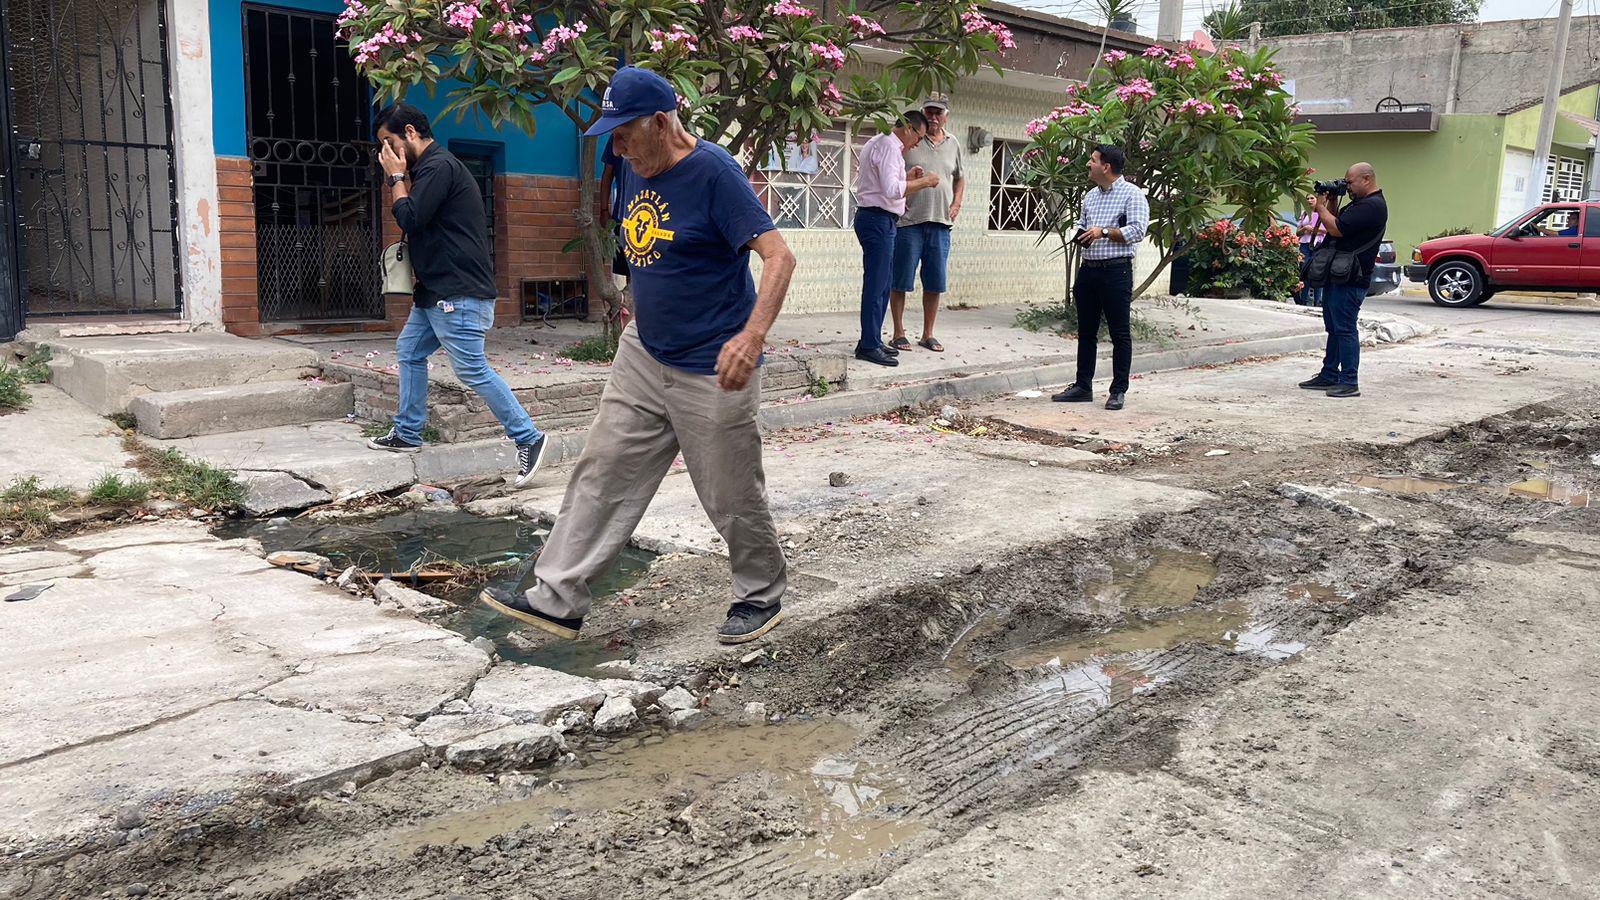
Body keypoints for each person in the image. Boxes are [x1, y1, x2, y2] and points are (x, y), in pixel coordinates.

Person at [479, 67, 799, 645]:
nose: (616, 146)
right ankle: (557, 598)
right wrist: (631, 304)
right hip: (643, 353)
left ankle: (760, 594)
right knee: (603, 471)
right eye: (610, 135)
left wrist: (751, 337)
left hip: (712, 367)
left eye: (624, 133)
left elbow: (779, 258)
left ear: (661, 121)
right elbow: (643, 251)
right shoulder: (631, 166)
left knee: (731, 496)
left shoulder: (714, 174)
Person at [370, 103, 547, 487]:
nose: (386, 153)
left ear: (411, 133)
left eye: (390, 142)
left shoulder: (439, 167)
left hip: (458, 292)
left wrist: (396, 177)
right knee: (410, 350)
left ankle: (529, 438)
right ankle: (407, 432)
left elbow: (410, 217)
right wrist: (401, 174)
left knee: (471, 369)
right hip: (435, 291)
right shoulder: (429, 168)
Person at [1051, 144, 1149, 411]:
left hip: (1116, 271)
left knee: (1119, 333)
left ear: (1106, 166)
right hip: (1089, 269)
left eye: (1092, 160)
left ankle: (1118, 390)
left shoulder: (1133, 195)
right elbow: (1085, 225)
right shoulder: (1090, 197)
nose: (1088, 164)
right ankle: (1083, 386)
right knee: (1086, 331)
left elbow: (1138, 231)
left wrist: (1103, 232)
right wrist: (1081, 233)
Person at [853, 111, 939, 367]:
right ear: (909, 128)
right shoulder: (890, 146)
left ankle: (872, 339)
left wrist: (908, 178)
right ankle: (868, 345)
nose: (917, 144)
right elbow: (891, 191)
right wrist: (924, 182)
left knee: (881, 283)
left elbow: (886, 184)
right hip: (878, 220)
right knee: (877, 284)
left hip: (876, 219)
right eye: (919, 137)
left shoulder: (877, 141)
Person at [1298, 162, 1388, 399]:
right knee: (1334, 327)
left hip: (1352, 277)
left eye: (1350, 183)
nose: (1347, 187)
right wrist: (1332, 202)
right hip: (1338, 274)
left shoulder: (1373, 206)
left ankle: (1349, 380)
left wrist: (1319, 206)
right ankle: (1329, 374)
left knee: (1345, 328)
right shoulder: (1359, 203)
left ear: (1366, 179)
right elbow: (1336, 222)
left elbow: (1337, 229)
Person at [888, 93, 965, 353]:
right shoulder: (911, 139)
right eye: (929, 112)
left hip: (941, 223)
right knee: (900, 280)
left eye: (938, 112)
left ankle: (927, 334)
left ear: (946, 115)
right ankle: (898, 333)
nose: (933, 117)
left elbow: (959, 178)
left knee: (935, 282)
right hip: (908, 222)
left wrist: (956, 204)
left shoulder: (954, 143)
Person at [598, 136, 629, 284]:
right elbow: (607, 174)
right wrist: (604, 210)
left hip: (652, 216)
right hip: (623, 218)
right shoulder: (618, 136)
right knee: (629, 271)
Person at [1295, 208, 1327, 307]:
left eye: (1312, 198)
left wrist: (1315, 230)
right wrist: (1305, 229)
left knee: (1318, 272)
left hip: (1318, 244)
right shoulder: (1304, 213)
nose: (1309, 200)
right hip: (1305, 244)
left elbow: (1329, 230)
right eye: (1308, 198)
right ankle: (1303, 300)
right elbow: (1297, 232)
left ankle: (1318, 301)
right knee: (1304, 271)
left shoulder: (1324, 213)